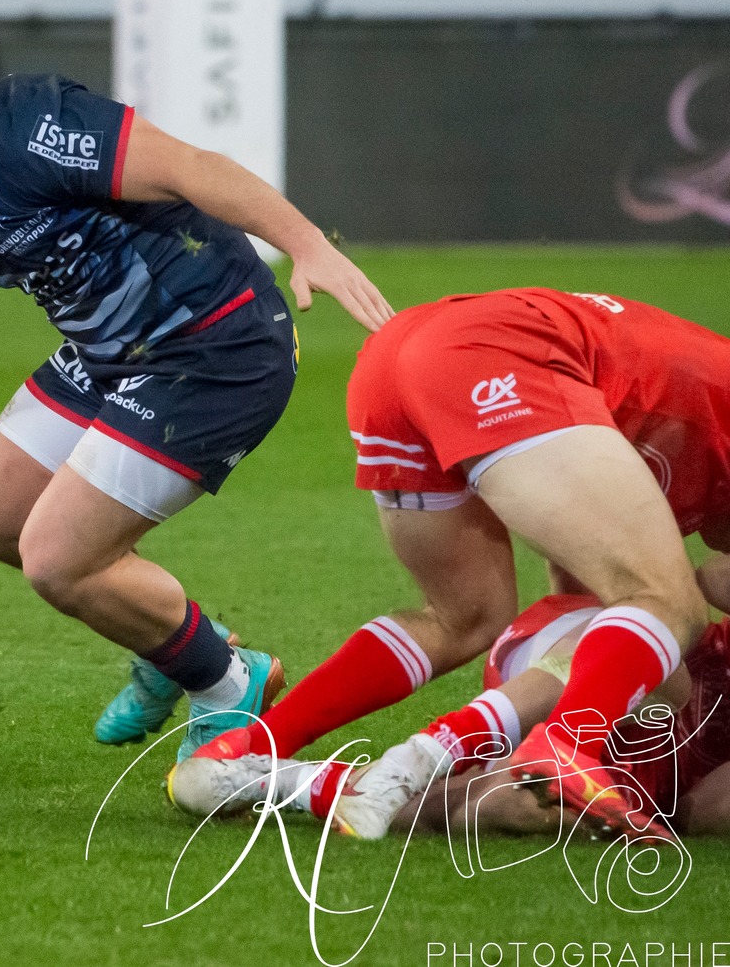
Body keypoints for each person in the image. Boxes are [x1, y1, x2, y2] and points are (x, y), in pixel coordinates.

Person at [0, 31, 394, 759]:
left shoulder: (26, 125)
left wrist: (307, 244)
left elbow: (191, 168)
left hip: (217, 344)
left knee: (54, 556)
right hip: (111, 354)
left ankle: (229, 684)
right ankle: (161, 633)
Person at [180, 288, 729, 836]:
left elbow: (580, 583)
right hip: (501, 357)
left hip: (400, 360)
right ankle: (564, 745)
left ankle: (250, 747)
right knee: (668, 602)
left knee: (461, 617)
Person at [172, 563, 730, 841]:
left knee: (511, 808)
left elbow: (701, 811)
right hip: (592, 650)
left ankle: (283, 781)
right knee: (661, 666)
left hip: (638, 767)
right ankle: (426, 751)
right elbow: (702, 579)